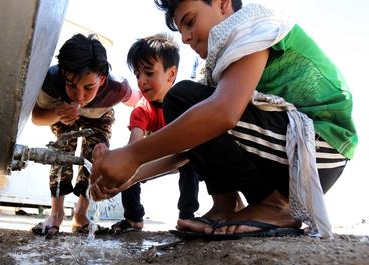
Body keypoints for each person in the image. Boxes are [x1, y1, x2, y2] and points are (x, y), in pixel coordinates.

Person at [90, 0, 357, 239]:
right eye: (180, 30)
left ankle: (274, 206)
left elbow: (223, 114)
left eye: (190, 21)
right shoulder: (221, 68)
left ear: (222, 3)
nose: (184, 38)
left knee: (183, 100)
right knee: (190, 112)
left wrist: (132, 155)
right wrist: (130, 176)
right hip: (291, 150)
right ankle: (226, 205)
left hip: (320, 147)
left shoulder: (252, 23)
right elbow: (190, 148)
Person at [31, 33, 141, 238]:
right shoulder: (51, 81)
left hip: (99, 116)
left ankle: (81, 215)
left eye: (89, 87)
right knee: (62, 149)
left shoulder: (117, 87)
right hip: (61, 114)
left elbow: (139, 98)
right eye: (71, 85)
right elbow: (37, 118)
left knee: (97, 153)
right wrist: (56, 113)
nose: (80, 96)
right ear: (63, 74)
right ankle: (56, 213)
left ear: (102, 79)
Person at [110, 33, 207, 234]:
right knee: (127, 168)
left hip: (186, 156)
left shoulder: (188, 104)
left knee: (191, 163)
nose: (141, 81)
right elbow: (133, 149)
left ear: (171, 74)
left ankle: (187, 216)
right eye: (137, 75)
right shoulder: (142, 109)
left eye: (149, 73)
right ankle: (133, 217)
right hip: (156, 159)